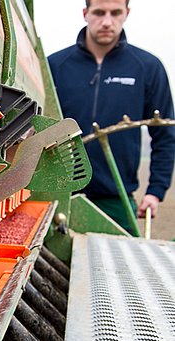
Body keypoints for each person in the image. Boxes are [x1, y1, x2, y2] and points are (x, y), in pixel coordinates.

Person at [48, 0, 175, 234]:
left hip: (116, 200)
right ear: (85, 14)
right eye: (99, 12)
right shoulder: (55, 65)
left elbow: (166, 135)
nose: (107, 21)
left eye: (115, 13)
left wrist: (155, 191)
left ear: (126, 13)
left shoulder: (148, 67)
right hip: (58, 196)